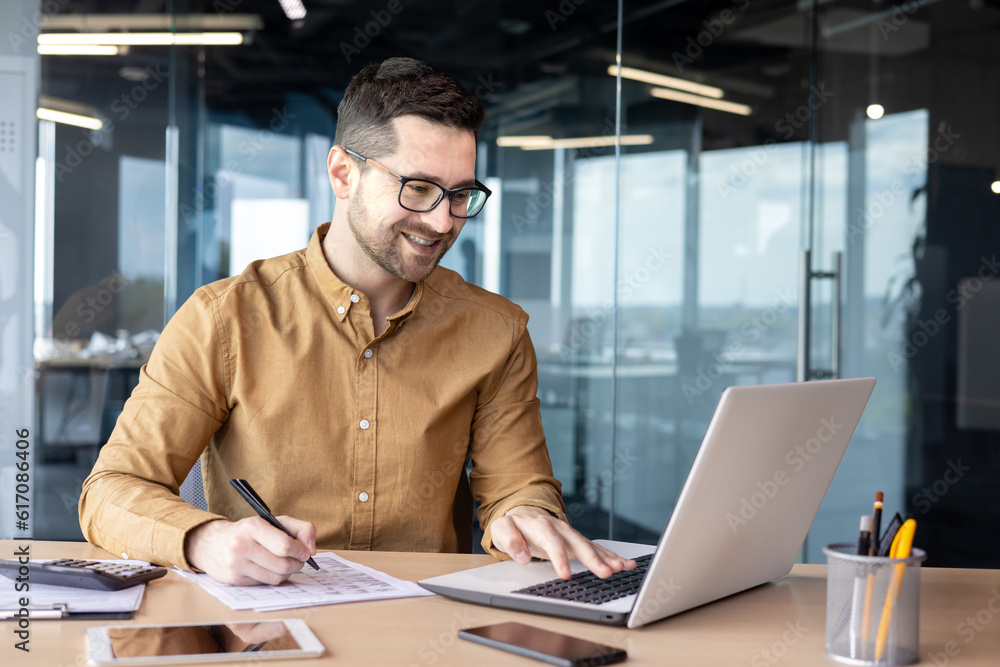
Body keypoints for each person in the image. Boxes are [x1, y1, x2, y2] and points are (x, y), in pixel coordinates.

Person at [79, 57, 634, 586]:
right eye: (417, 188)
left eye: (461, 194)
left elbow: (518, 483)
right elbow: (110, 492)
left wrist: (525, 513)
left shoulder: (497, 330)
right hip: (270, 627)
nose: (443, 220)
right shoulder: (224, 317)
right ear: (344, 173)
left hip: (426, 632)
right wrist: (205, 539)